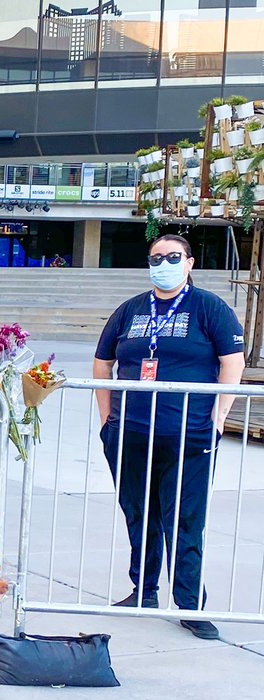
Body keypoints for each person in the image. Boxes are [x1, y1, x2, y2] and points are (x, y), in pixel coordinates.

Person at [94, 234, 245, 640]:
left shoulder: (209, 308)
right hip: (131, 435)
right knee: (139, 515)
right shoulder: (131, 310)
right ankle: (143, 591)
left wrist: (218, 417)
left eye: (172, 257)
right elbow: (102, 362)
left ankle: (190, 604)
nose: (163, 264)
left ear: (189, 263)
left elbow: (232, 362)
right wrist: (108, 419)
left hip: (189, 437)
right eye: (156, 257)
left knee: (184, 521)